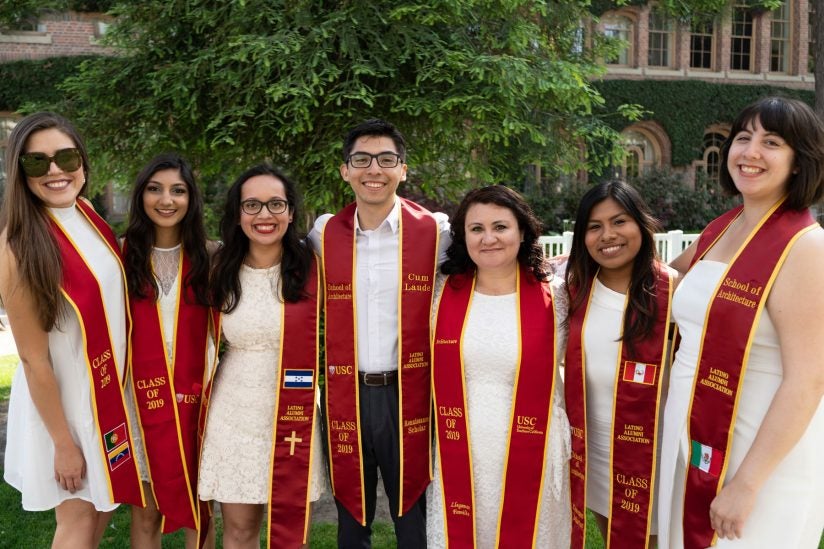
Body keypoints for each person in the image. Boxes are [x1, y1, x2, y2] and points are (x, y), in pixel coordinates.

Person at [659, 96, 824, 548]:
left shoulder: (806, 248)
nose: (750, 152)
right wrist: (577, 271)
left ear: (799, 162)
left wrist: (747, 484)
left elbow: (808, 381)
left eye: (771, 142)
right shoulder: (722, 228)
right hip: (691, 432)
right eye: (744, 137)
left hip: (759, 449)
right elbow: (665, 284)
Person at [0, 112, 143, 546]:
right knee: (78, 521)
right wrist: (63, 442)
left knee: (102, 512)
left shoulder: (85, 213)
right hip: (66, 408)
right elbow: (31, 357)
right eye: (37, 162)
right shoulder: (19, 245)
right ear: (19, 172)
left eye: (65, 156)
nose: (56, 171)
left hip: (106, 398)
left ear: (82, 160)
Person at [308, 118, 450, 547]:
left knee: (414, 517)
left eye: (386, 159)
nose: (375, 169)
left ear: (402, 169)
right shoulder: (324, 233)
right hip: (345, 393)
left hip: (408, 392)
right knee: (352, 515)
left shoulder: (436, 232)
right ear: (344, 169)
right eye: (362, 159)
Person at [428, 184, 571, 547]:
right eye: (476, 229)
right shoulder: (439, 293)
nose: (488, 238)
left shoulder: (558, 296)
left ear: (523, 231)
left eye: (500, 227)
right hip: (460, 447)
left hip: (535, 451)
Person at [198, 164, 325, 548]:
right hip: (234, 411)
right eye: (251, 205)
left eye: (275, 204)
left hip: (295, 410)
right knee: (239, 531)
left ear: (290, 212)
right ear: (237, 214)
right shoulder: (219, 267)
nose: (264, 215)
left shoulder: (315, 267)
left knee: (290, 531)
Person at [564, 180, 674, 548]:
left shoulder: (674, 291)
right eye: (594, 227)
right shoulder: (573, 292)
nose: (607, 235)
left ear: (640, 224)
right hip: (595, 450)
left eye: (619, 221)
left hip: (654, 454)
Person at [122, 153, 215, 548]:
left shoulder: (213, 255)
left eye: (178, 190)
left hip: (198, 400)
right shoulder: (120, 254)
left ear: (191, 199)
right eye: (155, 189)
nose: (167, 200)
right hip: (142, 401)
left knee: (200, 510)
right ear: (141, 195)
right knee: (146, 513)